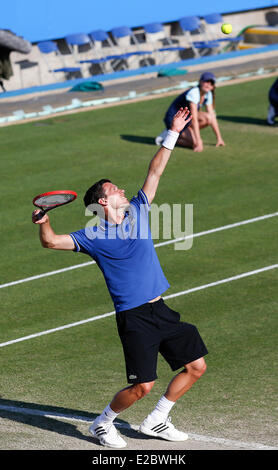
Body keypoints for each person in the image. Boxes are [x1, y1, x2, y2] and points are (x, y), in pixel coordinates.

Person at [32, 108, 208, 449]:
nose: (123, 189)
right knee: (142, 386)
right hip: (135, 318)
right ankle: (103, 423)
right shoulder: (92, 236)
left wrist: (173, 133)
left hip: (161, 310)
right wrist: (44, 223)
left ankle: (156, 420)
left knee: (196, 366)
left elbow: (155, 172)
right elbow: (51, 242)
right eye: (115, 188)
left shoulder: (138, 210)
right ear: (103, 201)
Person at [155, 71, 225, 152]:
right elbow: (194, 119)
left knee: (209, 118)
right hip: (174, 120)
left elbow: (212, 117)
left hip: (186, 119)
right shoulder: (194, 92)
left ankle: (183, 134)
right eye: (206, 81)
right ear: (200, 82)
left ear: (213, 86)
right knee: (194, 144)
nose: (208, 84)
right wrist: (198, 141)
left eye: (211, 83)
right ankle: (166, 138)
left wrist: (219, 138)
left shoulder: (208, 94)